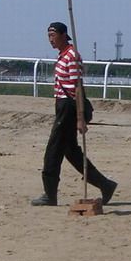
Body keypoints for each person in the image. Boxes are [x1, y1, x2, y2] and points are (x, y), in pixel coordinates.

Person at [31, 22, 117, 206]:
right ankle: (105, 184)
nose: (50, 39)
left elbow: (77, 88)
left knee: (53, 151)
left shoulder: (72, 56)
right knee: (72, 153)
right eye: (48, 36)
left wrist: (79, 117)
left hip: (69, 107)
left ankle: (50, 194)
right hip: (62, 106)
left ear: (63, 35)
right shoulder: (62, 56)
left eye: (53, 35)